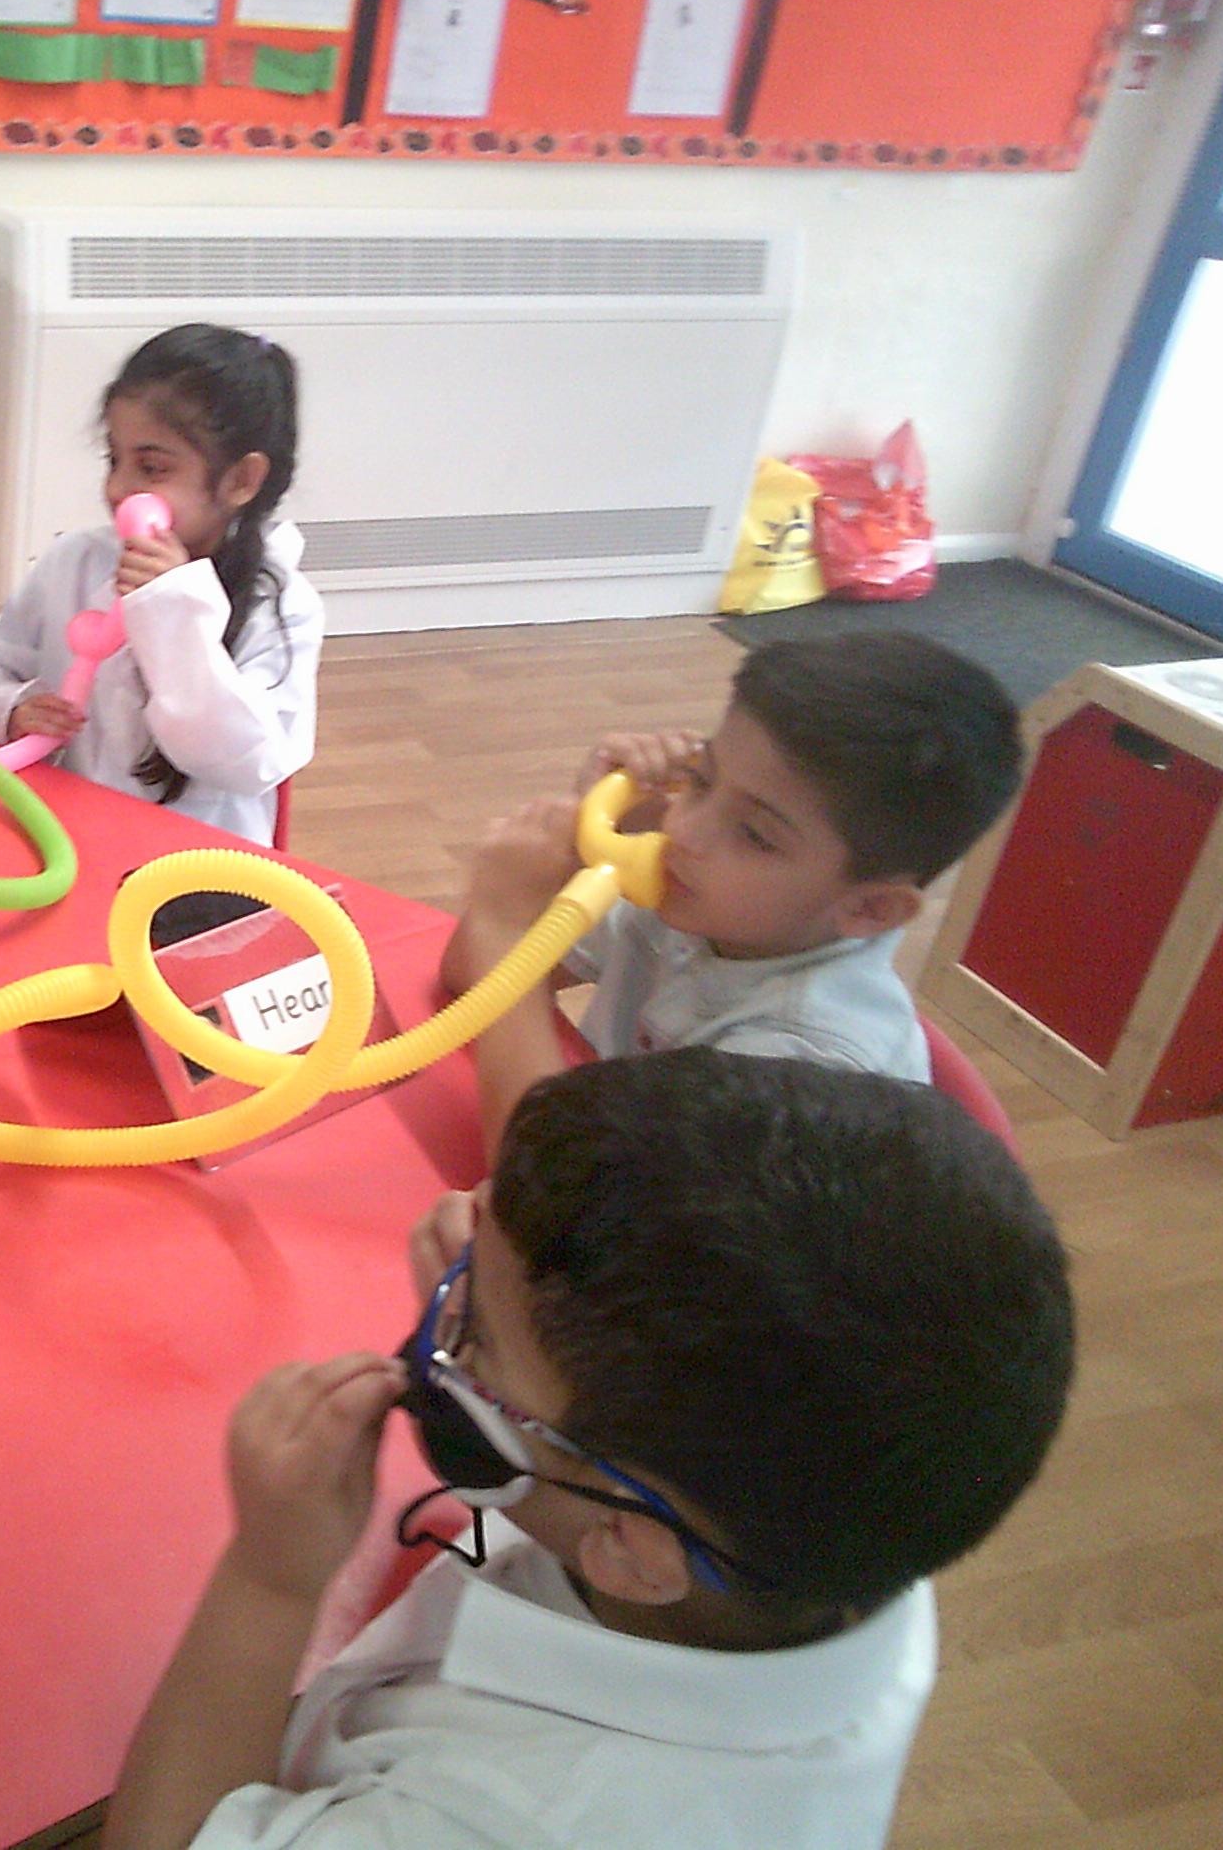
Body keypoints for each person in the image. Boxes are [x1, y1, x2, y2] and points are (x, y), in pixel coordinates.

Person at [105, 1051, 1074, 1850]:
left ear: (629, 1550)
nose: (445, 1304)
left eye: (473, 1333)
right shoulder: (838, 1516)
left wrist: (271, 1579)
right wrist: (503, 1295)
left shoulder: (506, 1819)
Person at [441, 632, 1022, 1154]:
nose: (682, 831)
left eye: (756, 835)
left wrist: (504, 924)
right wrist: (589, 843)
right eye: (701, 780)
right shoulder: (700, 901)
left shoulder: (805, 1059)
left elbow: (544, 1183)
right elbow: (465, 982)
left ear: (870, 907)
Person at [0, 323, 323, 847]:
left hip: (196, 862)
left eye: (151, 468)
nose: (117, 487)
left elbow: (248, 761)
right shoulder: (75, 561)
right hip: (65, 836)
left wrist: (174, 612)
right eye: (114, 459)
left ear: (241, 481)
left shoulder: (283, 606)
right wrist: (11, 708)